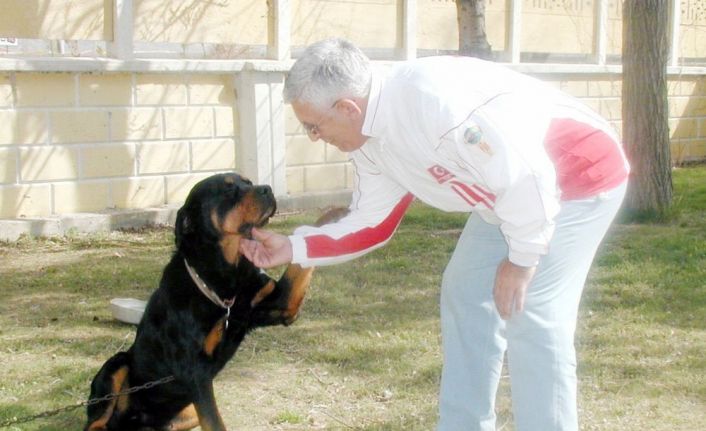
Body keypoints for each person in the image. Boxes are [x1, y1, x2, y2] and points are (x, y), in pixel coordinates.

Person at [239, 38, 629, 431]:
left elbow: (527, 176)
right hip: (509, 195)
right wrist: (294, 247)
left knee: (530, 311)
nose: (314, 137)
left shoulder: (433, 104)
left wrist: (522, 260)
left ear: (346, 108)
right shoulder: (370, 138)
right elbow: (373, 223)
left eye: (314, 127)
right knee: (465, 291)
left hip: (577, 173)